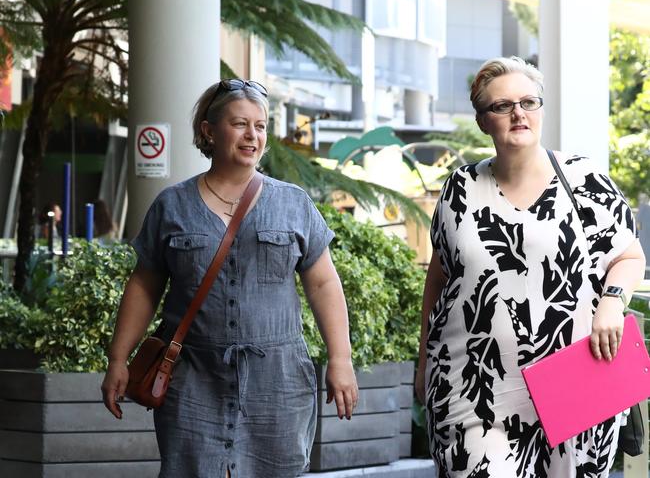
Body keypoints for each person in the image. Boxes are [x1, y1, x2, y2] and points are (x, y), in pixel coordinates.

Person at [101, 78, 358, 477]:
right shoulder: (173, 205)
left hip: (279, 381)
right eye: (239, 124)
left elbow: (324, 283)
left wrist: (340, 360)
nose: (252, 135)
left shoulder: (293, 203)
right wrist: (119, 359)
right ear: (209, 130)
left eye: (260, 125)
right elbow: (144, 284)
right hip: (192, 378)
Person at [415, 56, 646, 477]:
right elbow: (440, 277)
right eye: (502, 106)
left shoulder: (584, 181)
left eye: (528, 102)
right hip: (474, 388)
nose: (518, 113)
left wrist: (611, 304)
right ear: (483, 121)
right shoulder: (459, 189)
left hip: (577, 382)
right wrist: (422, 363)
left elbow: (629, 256)